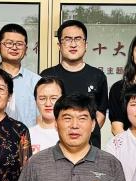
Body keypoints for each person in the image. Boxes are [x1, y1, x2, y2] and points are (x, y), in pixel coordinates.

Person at [41, 20, 109, 148]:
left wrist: (82, 133)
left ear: (86, 44)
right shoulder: (47, 76)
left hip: (89, 145)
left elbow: (100, 113)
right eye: (67, 39)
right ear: (59, 45)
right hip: (54, 144)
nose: (73, 44)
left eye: (78, 39)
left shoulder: (97, 76)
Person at [0, 23, 41, 128]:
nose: (14, 47)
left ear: (25, 49)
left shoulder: (37, 82)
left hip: (28, 137)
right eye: (9, 43)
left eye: (19, 44)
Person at [28, 77, 63, 156]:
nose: (48, 104)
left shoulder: (72, 133)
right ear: (35, 101)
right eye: (42, 98)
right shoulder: (28, 135)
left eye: (53, 98)